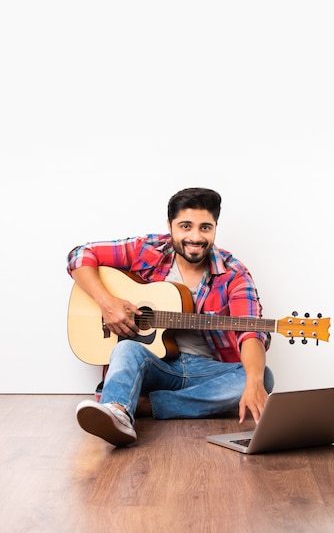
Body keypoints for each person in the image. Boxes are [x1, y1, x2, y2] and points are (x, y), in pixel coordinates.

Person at [67, 187, 274, 446]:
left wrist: (253, 382)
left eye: (205, 228)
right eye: (185, 226)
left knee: (262, 377)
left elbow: (251, 330)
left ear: (215, 227)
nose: (195, 237)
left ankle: (145, 406)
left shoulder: (233, 273)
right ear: (170, 225)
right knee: (127, 349)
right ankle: (118, 412)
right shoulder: (150, 249)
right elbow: (79, 255)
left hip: (204, 371)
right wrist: (108, 303)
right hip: (154, 365)